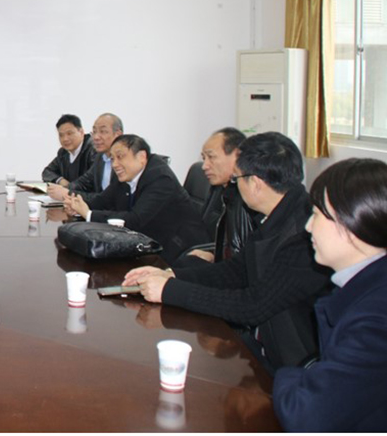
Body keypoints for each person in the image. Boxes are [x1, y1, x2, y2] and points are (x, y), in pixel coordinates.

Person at [123, 132, 332, 372]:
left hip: (293, 369)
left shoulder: (303, 235)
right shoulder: (275, 216)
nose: (235, 184)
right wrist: (171, 275)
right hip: (268, 349)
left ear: (255, 183)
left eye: (237, 178)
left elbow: (253, 305)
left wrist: (170, 290)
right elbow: (237, 271)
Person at [273, 158, 387, 431]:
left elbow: (304, 415)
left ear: (352, 224)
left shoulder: (375, 322)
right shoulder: (365, 285)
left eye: (316, 215)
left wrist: (288, 374)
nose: (308, 227)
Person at [63, 134, 209, 263]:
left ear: (141, 157)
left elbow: (135, 220)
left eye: (120, 157)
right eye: (112, 159)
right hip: (148, 241)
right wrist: (77, 206)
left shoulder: (160, 178)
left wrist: (88, 214)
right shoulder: (126, 175)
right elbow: (102, 200)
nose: (114, 164)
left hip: (180, 250)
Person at [174, 127, 258, 267]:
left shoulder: (248, 198)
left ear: (237, 155)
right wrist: (214, 254)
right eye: (204, 158)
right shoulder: (222, 189)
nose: (204, 166)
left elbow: (244, 258)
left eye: (211, 157)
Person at [47, 113, 123, 203]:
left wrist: (67, 193)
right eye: (94, 132)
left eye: (103, 131)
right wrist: (61, 189)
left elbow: (107, 199)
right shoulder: (101, 158)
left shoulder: (125, 161)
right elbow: (83, 183)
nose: (96, 137)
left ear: (118, 134)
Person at [41, 114, 96, 186]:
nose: (65, 139)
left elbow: (90, 180)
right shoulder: (63, 153)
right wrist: (60, 180)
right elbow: (47, 172)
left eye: (69, 133)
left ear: (81, 132)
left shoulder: (93, 150)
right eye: (61, 135)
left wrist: (68, 188)